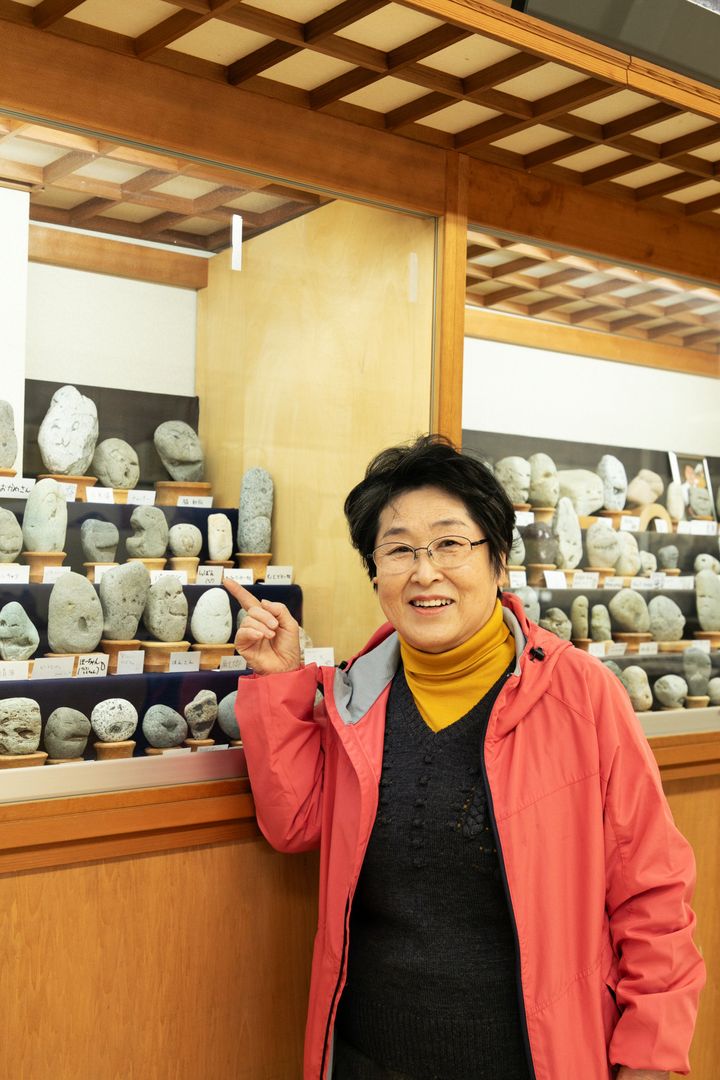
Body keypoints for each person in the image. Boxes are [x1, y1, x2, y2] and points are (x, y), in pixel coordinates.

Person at [224, 435, 705, 1080]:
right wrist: (281, 682)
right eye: (397, 550)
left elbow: (653, 894)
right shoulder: (358, 695)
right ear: (375, 572)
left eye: (451, 544)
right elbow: (295, 823)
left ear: (499, 559)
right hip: (370, 1058)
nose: (425, 572)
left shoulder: (581, 696)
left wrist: (650, 1060)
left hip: (530, 1060)